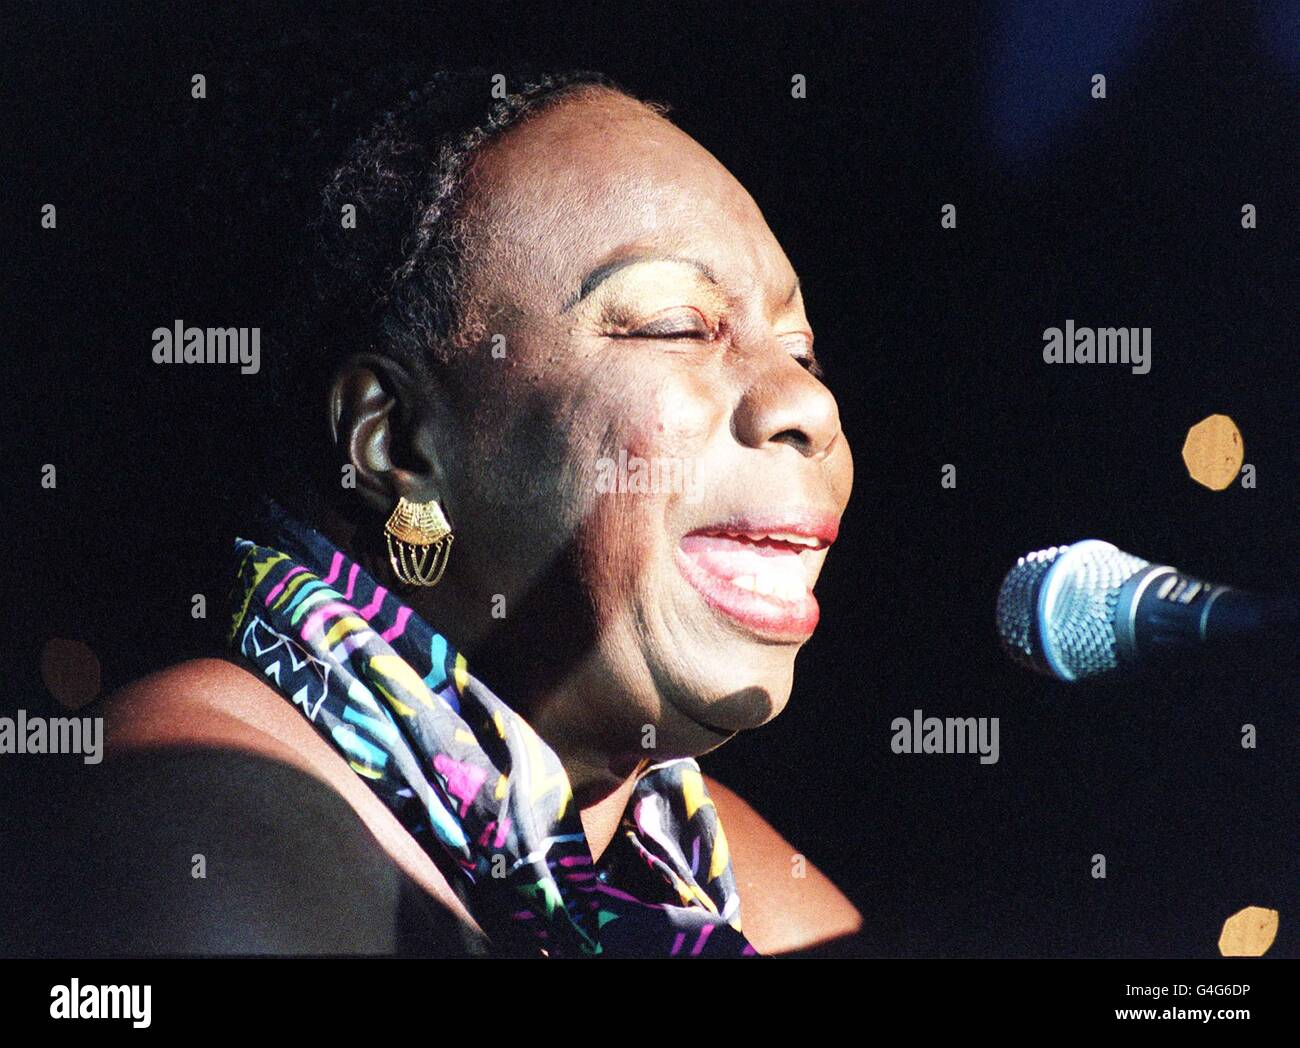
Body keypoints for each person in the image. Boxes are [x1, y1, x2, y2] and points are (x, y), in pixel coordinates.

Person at [95, 69, 860, 957]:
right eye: (677, 324)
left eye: (801, 349)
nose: (808, 403)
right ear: (398, 445)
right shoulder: (208, 814)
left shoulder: (716, 872)